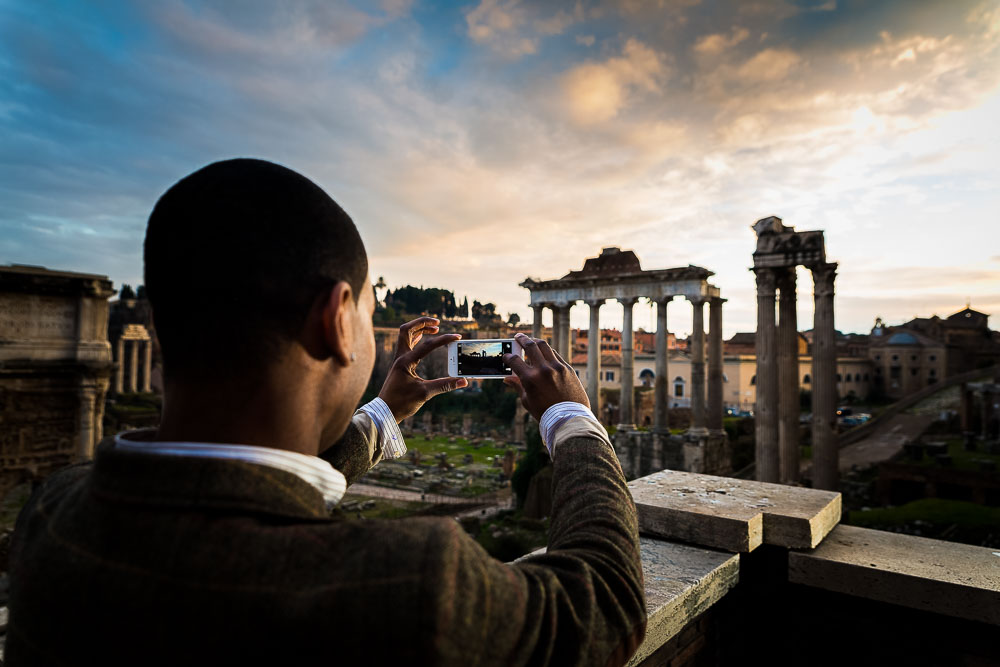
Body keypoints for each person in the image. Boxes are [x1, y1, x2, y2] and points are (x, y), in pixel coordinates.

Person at [6, 159, 645, 666]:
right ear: (336, 319)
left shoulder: (53, 515)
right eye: (369, 312)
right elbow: (607, 604)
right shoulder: (408, 586)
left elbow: (247, 492)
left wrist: (385, 412)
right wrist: (569, 420)